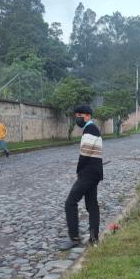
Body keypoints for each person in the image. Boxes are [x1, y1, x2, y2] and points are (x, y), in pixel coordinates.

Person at [58, 105, 103, 250]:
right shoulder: (92, 129)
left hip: (88, 173)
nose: (78, 117)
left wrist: (79, 170)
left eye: (80, 115)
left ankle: (74, 238)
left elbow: (84, 154)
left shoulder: (90, 129)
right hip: (94, 172)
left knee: (70, 202)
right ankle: (94, 237)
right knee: (91, 205)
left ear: (88, 116)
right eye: (76, 115)